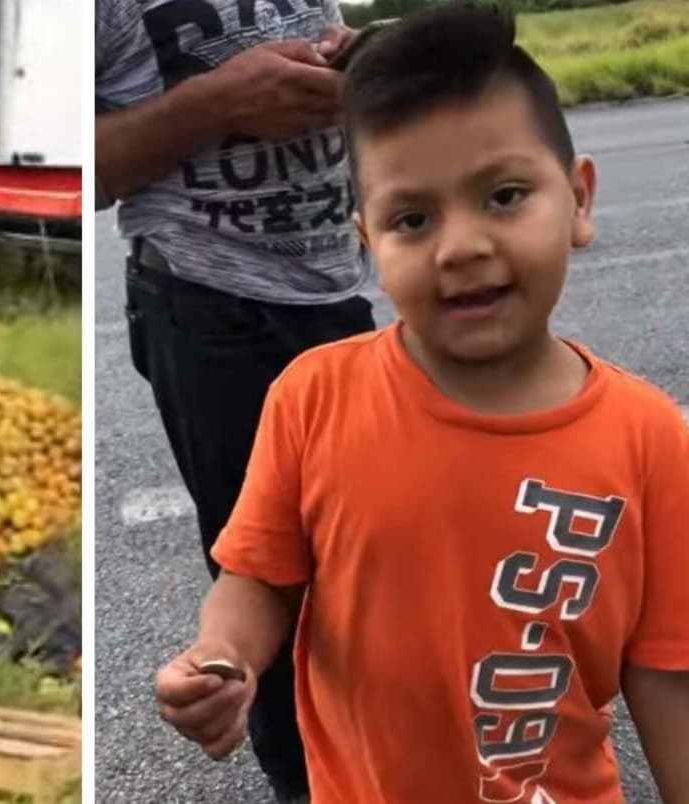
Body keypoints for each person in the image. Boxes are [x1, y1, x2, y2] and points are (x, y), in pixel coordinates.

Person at [155, 4, 689, 802]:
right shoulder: (313, 396)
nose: (462, 246)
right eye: (413, 218)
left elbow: (667, 671)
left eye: (505, 195)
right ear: (367, 239)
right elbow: (260, 577)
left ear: (578, 200)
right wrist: (222, 654)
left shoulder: (649, 437)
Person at [96, 2, 376, 799]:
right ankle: (307, 781)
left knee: (370, 549)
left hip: (334, 287)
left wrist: (352, 66)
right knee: (266, 563)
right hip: (211, 303)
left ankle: (388, 750)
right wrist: (217, 101)